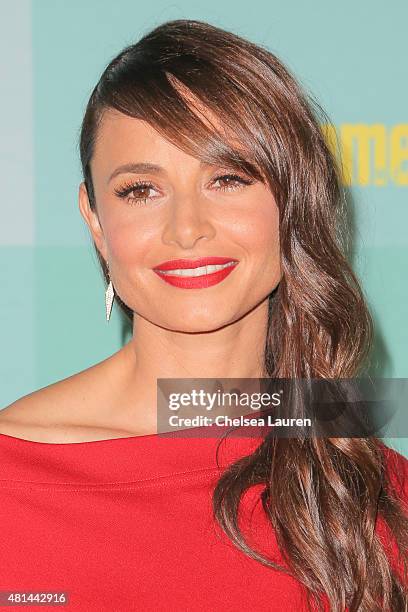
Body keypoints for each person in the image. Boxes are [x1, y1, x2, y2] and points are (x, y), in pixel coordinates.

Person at [0, 18, 407, 612]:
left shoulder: (372, 493)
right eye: (141, 190)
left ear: (295, 198)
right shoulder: (14, 478)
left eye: (227, 178)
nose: (187, 228)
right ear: (94, 218)